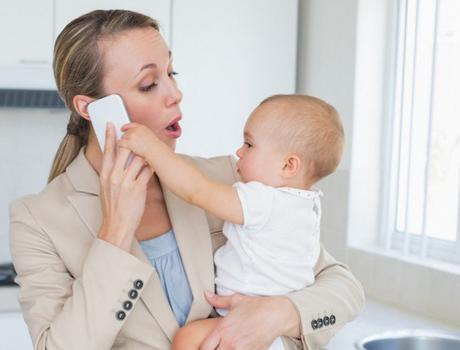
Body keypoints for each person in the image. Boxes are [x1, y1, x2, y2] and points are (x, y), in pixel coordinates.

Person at [9, 9, 364, 350]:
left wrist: (278, 314)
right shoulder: (37, 220)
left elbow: (343, 287)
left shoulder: (228, 179)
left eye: (171, 73)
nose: (175, 94)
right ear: (92, 109)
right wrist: (115, 234)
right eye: (149, 84)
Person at [117, 94, 344, 350]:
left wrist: (150, 148)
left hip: (251, 326)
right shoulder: (306, 203)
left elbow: (197, 191)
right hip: (276, 335)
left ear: (288, 165)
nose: (239, 152)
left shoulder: (263, 201)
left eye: (249, 144)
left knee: (187, 340)